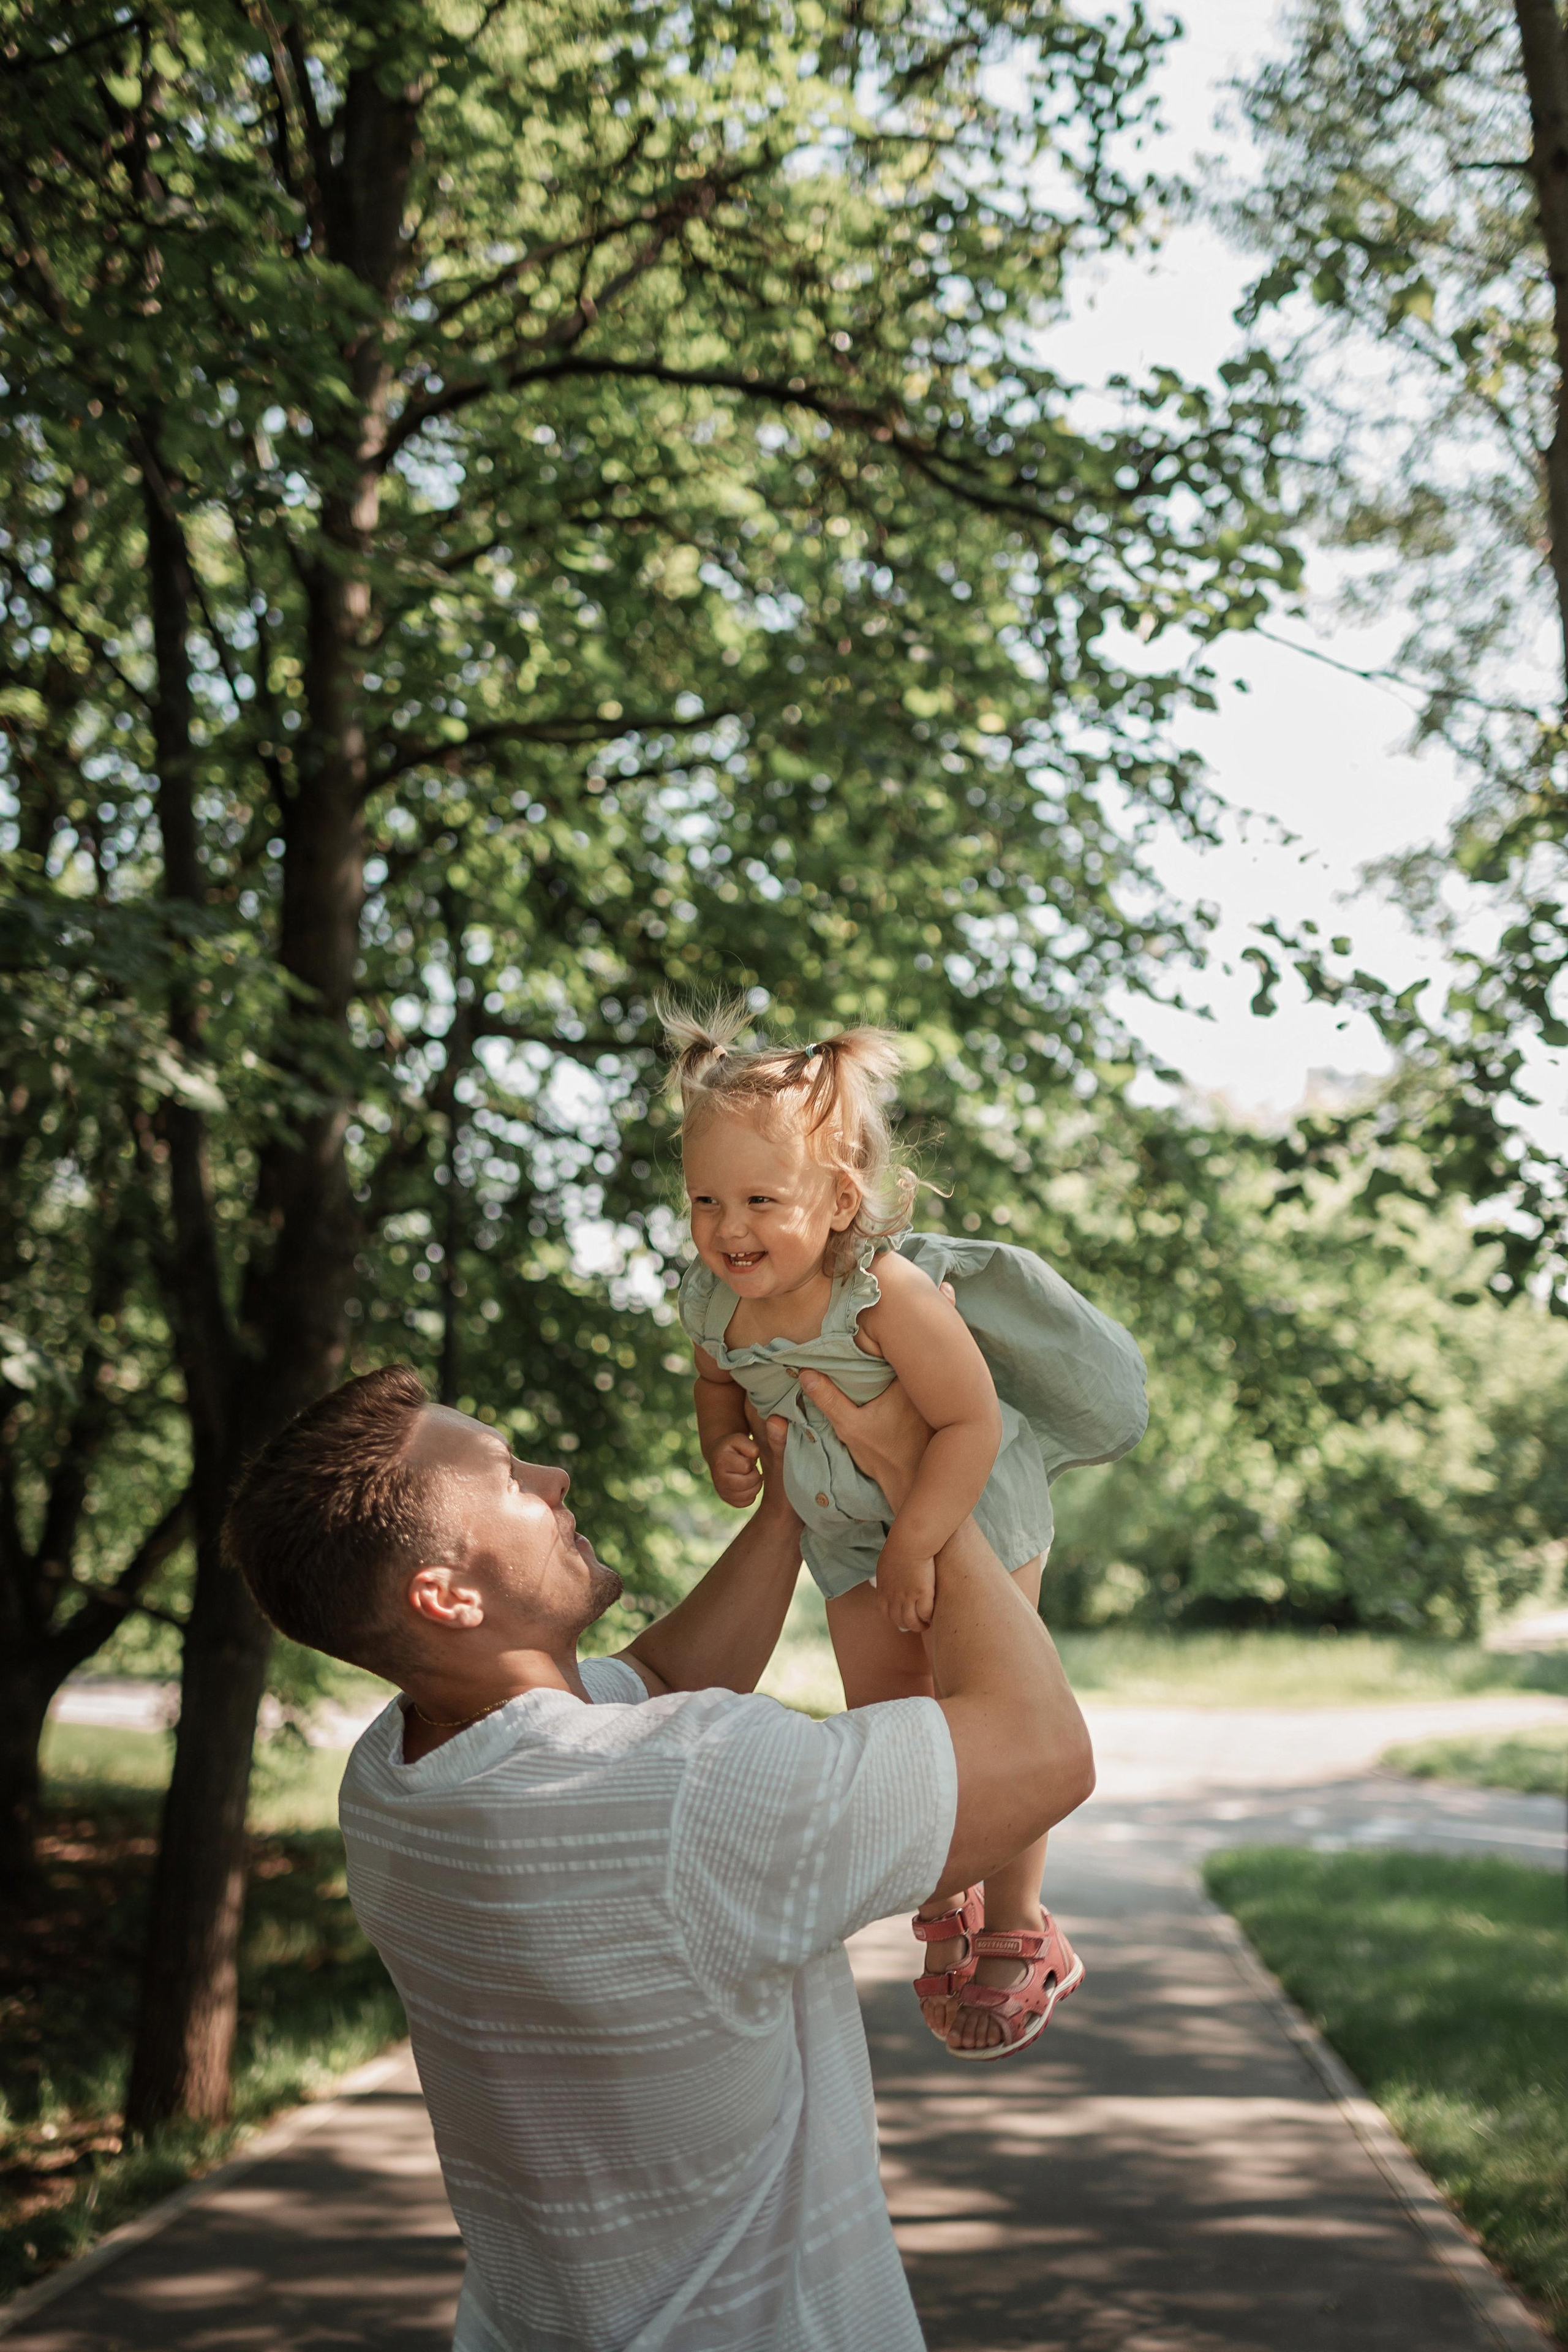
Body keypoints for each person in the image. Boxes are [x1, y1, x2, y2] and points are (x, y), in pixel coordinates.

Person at [224, 1357, 1095, 2352]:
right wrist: (925, 1478)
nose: (553, 1477)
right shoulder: (689, 1790)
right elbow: (1043, 1752)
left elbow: (657, 1675)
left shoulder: (394, 1777)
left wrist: (786, 1512)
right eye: (510, 1479)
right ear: (449, 1596)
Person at [664, 1000, 1145, 2057]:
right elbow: (715, 1381)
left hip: (972, 1508)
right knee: (893, 1715)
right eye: (705, 1200)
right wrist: (724, 1442)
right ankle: (945, 1889)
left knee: (996, 1710)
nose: (729, 1229)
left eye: (760, 1200)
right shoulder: (711, 1301)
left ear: (840, 1198)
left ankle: (1021, 1923)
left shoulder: (884, 1294)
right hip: (843, 1535)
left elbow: (972, 1423)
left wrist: (920, 1543)